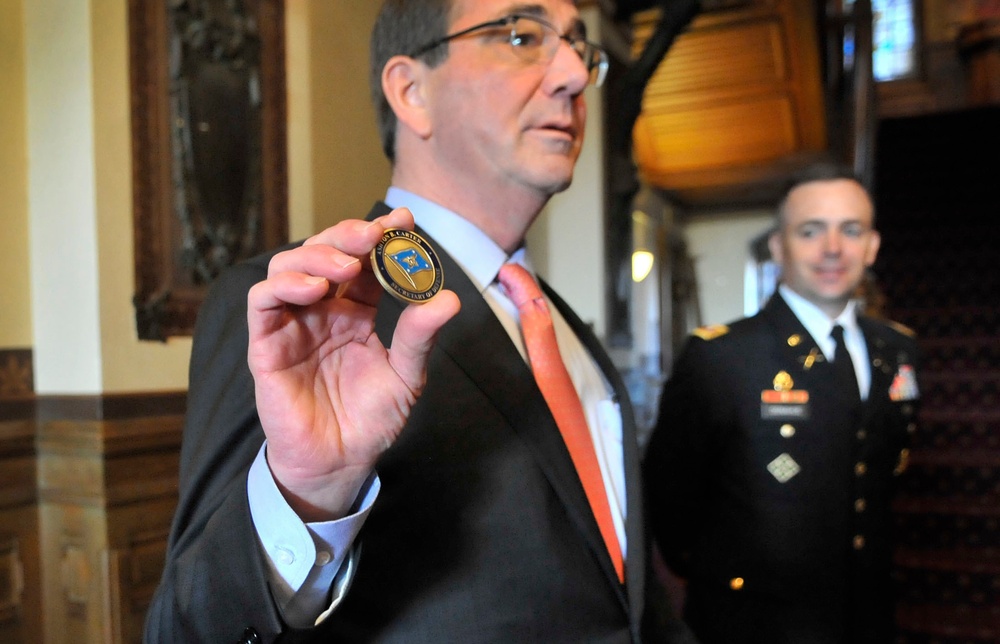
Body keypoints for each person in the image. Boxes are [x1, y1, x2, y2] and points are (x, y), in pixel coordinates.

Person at [144, 0, 692, 642]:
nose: (574, 73)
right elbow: (185, 631)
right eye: (522, 35)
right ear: (411, 90)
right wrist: (308, 494)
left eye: (578, 46)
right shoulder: (302, 310)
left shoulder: (571, 335)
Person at [643, 163, 921, 644]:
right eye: (810, 230)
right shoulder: (722, 356)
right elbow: (670, 501)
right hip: (754, 620)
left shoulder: (896, 349)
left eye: (850, 230)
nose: (832, 248)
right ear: (778, 246)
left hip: (866, 613)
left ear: (871, 246)